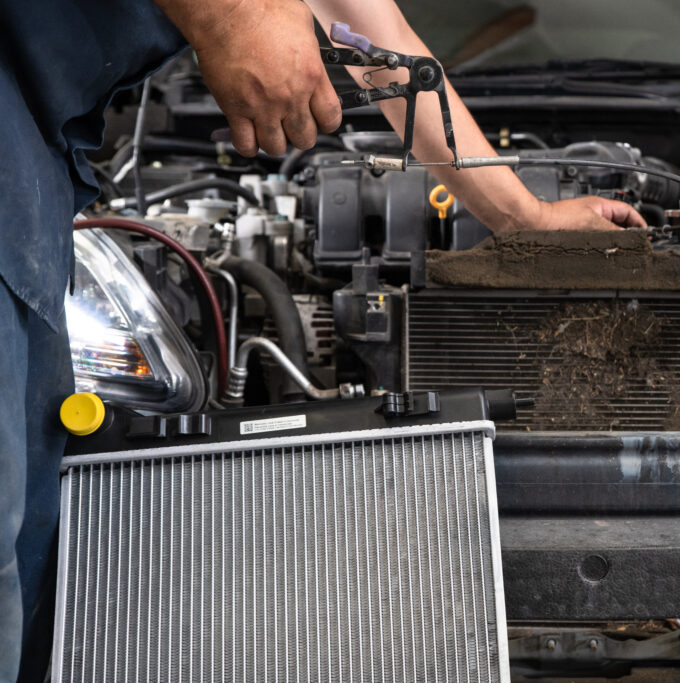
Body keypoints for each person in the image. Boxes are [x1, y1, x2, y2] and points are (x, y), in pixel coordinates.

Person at [0, 0, 643, 680]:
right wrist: (232, 16)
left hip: (28, 175)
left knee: (33, 546)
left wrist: (527, 219)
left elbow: (375, 34)